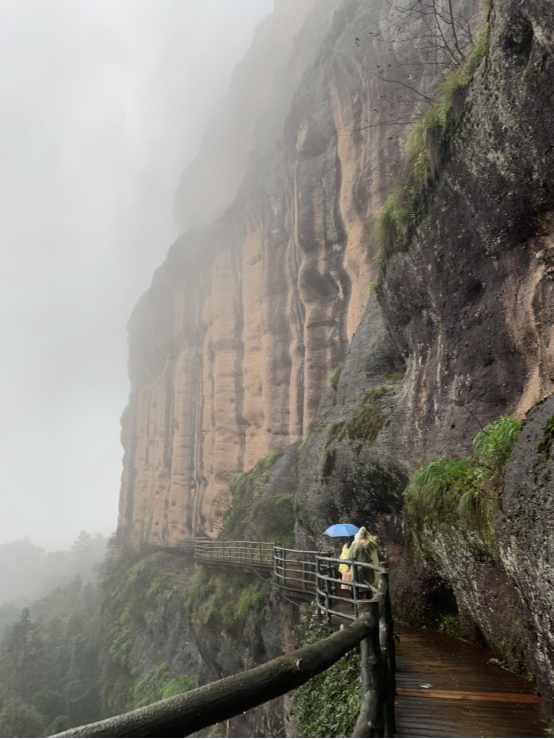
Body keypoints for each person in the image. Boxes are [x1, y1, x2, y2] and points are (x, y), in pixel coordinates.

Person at [347, 527, 380, 594]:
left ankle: (357, 601)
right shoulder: (370, 543)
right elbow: (376, 544)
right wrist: (370, 536)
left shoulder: (355, 543)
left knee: (357, 584)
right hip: (369, 566)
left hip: (358, 567)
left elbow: (350, 556)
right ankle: (368, 599)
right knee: (369, 584)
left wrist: (348, 566)